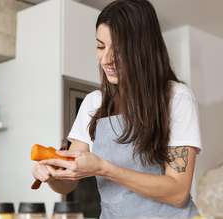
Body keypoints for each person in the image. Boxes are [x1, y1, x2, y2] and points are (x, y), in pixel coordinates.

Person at [32, 0, 202, 218]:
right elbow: (68, 183)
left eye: (120, 50)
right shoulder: (94, 103)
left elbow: (178, 192)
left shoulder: (176, 98)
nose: (106, 59)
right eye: (100, 46)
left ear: (144, 50)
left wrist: (104, 168)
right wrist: (52, 175)